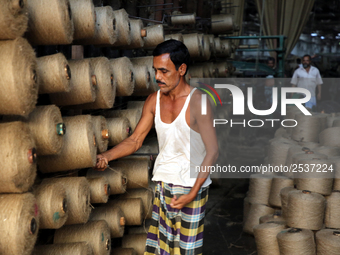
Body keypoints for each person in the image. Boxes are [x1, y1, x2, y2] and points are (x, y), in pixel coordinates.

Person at [95, 39, 219, 255]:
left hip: (191, 186)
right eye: (155, 71)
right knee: (162, 250)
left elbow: (213, 151)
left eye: (164, 71)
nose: (158, 77)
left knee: (187, 252)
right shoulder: (154, 100)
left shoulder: (198, 101)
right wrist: (106, 155)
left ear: (181, 69)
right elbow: (135, 140)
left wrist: (193, 193)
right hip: (163, 185)